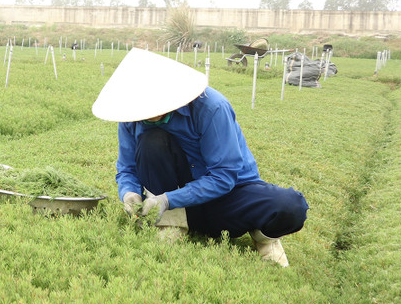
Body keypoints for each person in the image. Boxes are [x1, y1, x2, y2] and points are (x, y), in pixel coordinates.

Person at [92, 48, 308, 267]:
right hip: (177, 203)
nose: (145, 114)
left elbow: (224, 176)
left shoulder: (211, 107)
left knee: (291, 206)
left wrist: (168, 200)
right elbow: (127, 169)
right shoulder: (131, 115)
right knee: (152, 140)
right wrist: (128, 193)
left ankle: (265, 240)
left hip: (228, 197)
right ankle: (171, 225)